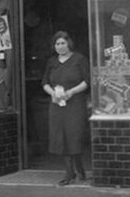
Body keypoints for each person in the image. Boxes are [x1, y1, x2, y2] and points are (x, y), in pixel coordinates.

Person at [42, 30, 90, 186]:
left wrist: (71, 92)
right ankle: (70, 173)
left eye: (63, 43)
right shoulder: (52, 62)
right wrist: (52, 94)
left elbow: (87, 81)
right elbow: (44, 83)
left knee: (74, 135)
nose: (60, 46)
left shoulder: (79, 59)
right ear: (54, 46)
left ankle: (79, 168)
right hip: (57, 105)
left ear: (69, 43)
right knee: (60, 137)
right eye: (57, 44)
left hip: (75, 103)